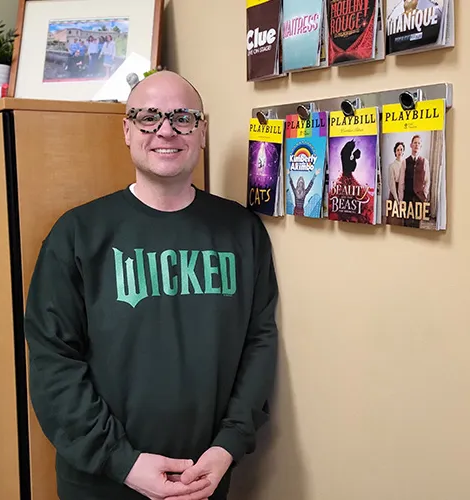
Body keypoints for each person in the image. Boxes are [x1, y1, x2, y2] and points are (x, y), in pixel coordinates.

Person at [23, 70, 280, 500]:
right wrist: (122, 461)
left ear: (202, 131)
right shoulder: (77, 234)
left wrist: (227, 447)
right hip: (101, 481)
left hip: (205, 478)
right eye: (148, 117)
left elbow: (259, 344)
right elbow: (53, 362)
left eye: (183, 117)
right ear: (127, 130)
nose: (166, 130)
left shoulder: (241, 231)